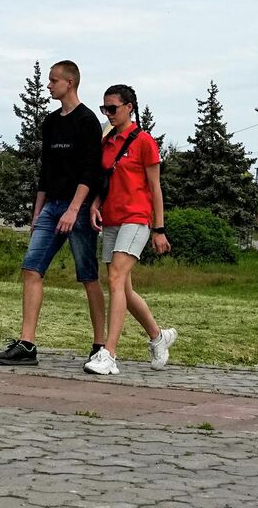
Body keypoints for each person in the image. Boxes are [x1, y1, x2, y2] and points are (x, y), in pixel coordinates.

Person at [0, 60, 106, 366]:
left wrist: (74, 208)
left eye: (54, 81)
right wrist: (37, 211)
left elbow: (91, 171)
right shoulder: (51, 123)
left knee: (88, 276)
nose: (49, 85)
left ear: (70, 83)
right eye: (49, 81)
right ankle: (27, 344)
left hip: (76, 208)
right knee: (31, 269)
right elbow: (46, 171)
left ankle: (100, 345)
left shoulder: (87, 121)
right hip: (51, 207)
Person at [84, 84, 176, 375]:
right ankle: (158, 336)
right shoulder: (107, 141)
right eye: (104, 109)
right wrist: (95, 204)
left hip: (137, 219)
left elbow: (155, 188)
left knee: (115, 277)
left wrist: (159, 229)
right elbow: (105, 180)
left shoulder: (145, 142)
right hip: (111, 218)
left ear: (129, 107)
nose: (108, 114)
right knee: (123, 286)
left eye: (113, 108)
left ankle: (108, 354)